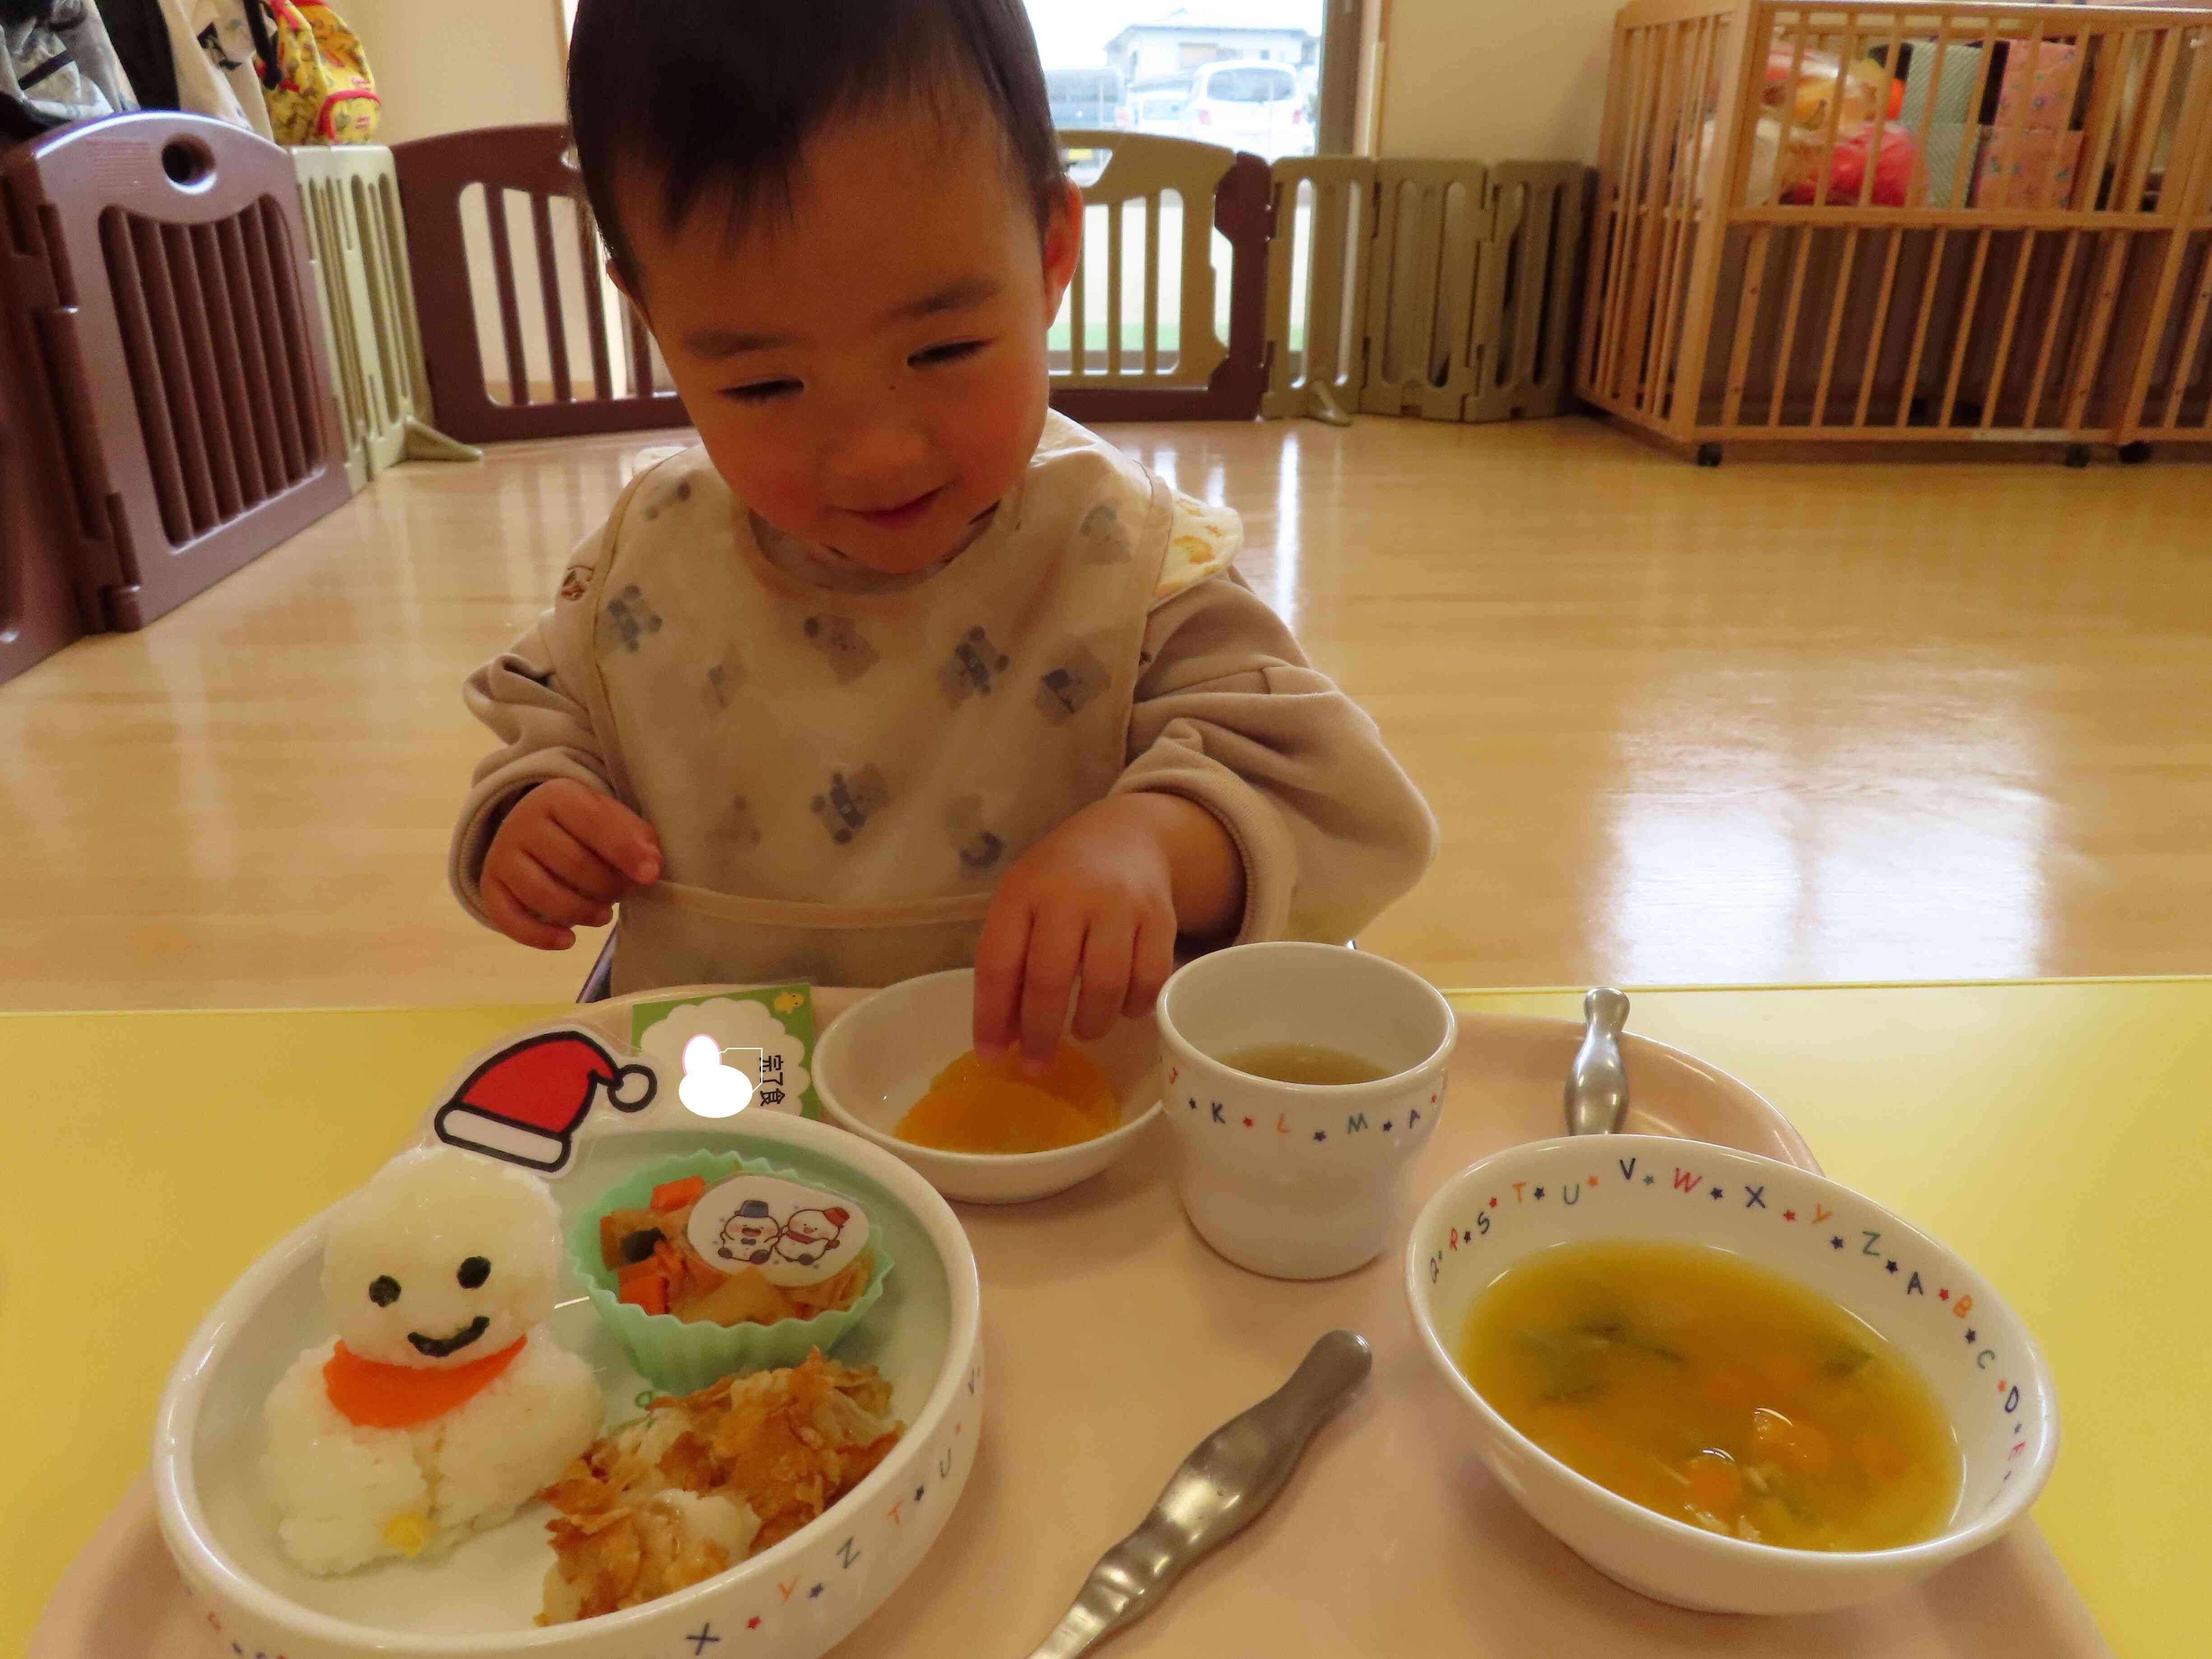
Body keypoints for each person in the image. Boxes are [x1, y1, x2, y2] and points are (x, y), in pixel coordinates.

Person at [449, 0, 1436, 1068]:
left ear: (1052, 250)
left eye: (944, 350)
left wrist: (1154, 840)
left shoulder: (1122, 560)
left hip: (1047, 1101)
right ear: (655, 325)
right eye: (766, 382)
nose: (875, 453)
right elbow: (552, 712)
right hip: (727, 1101)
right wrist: (534, 807)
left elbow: (1328, 801)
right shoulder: (649, 565)